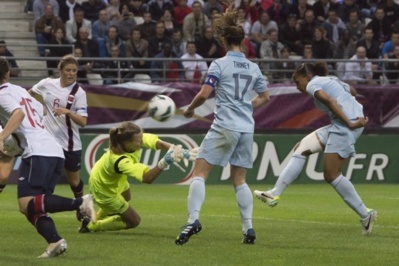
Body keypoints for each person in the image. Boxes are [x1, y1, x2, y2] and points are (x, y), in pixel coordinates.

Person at [175, 8, 270, 245]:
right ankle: (248, 229)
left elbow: (204, 93)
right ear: (243, 40)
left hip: (224, 125)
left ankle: (193, 220)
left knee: (200, 173)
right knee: (240, 180)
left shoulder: (219, 64)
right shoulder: (253, 67)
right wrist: (246, 107)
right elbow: (265, 97)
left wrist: (189, 109)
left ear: (225, 41)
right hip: (246, 128)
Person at [254, 61, 377, 236]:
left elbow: (329, 100)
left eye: (297, 82)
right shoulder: (331, 79)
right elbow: (353, 92)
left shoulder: (313, 84)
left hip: (346, 125)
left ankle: (366, 214)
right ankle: (274, 194)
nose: (297, 87)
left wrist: (350, 122)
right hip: (343, 123)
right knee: (301, 148)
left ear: (307, 76)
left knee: (331, 175)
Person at [0, 57, 96, 258]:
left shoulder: (3, 95)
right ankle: (55, 242)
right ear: (8, 73)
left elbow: (18, 114)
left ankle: (80, 203)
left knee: (26, 203)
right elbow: (39, 110)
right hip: (52, 149)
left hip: (39, 151)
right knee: (34, 208)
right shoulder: (18, 90)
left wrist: (2, 138)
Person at [79, 121, 198, 233]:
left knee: (126, 196)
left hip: (108, 177)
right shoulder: (119, 161)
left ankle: (93, 216)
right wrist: (165, 162)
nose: (142, 142)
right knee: (134, 221)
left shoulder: (129, 140)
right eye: (138, 141)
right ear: (127, 143)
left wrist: (182, 152)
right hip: (103, 189)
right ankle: (92, 226)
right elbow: (147, 178)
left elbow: (159, 143)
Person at [29, 55, 89, 222]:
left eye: (74, 71)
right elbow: (30, 94)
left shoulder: (79, 93)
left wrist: (68, 112)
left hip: (70, 144)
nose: (72, 74)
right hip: (48, 142)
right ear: (60, 70)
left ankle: (80, 205)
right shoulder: (47, 84)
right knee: (46, 179)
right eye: (68, 70)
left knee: (75, 182)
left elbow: (83, 122)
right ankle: (42, 210)